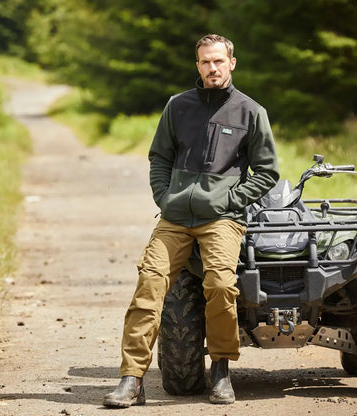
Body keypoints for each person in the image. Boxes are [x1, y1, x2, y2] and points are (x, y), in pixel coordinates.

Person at [103, 34, 279, 408]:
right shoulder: (177, 106)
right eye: (204, 62)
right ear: (197, 65)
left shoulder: (251, 112)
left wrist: (230, 199)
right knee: (149, 285)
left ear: (232, 63)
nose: (211, 68)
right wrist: (165, 198)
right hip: (176, 217)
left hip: (221, 219)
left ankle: (220, 372)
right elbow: (159, 158)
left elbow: (267, 173)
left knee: (219, 285)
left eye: (218, 61)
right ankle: (131, 379)